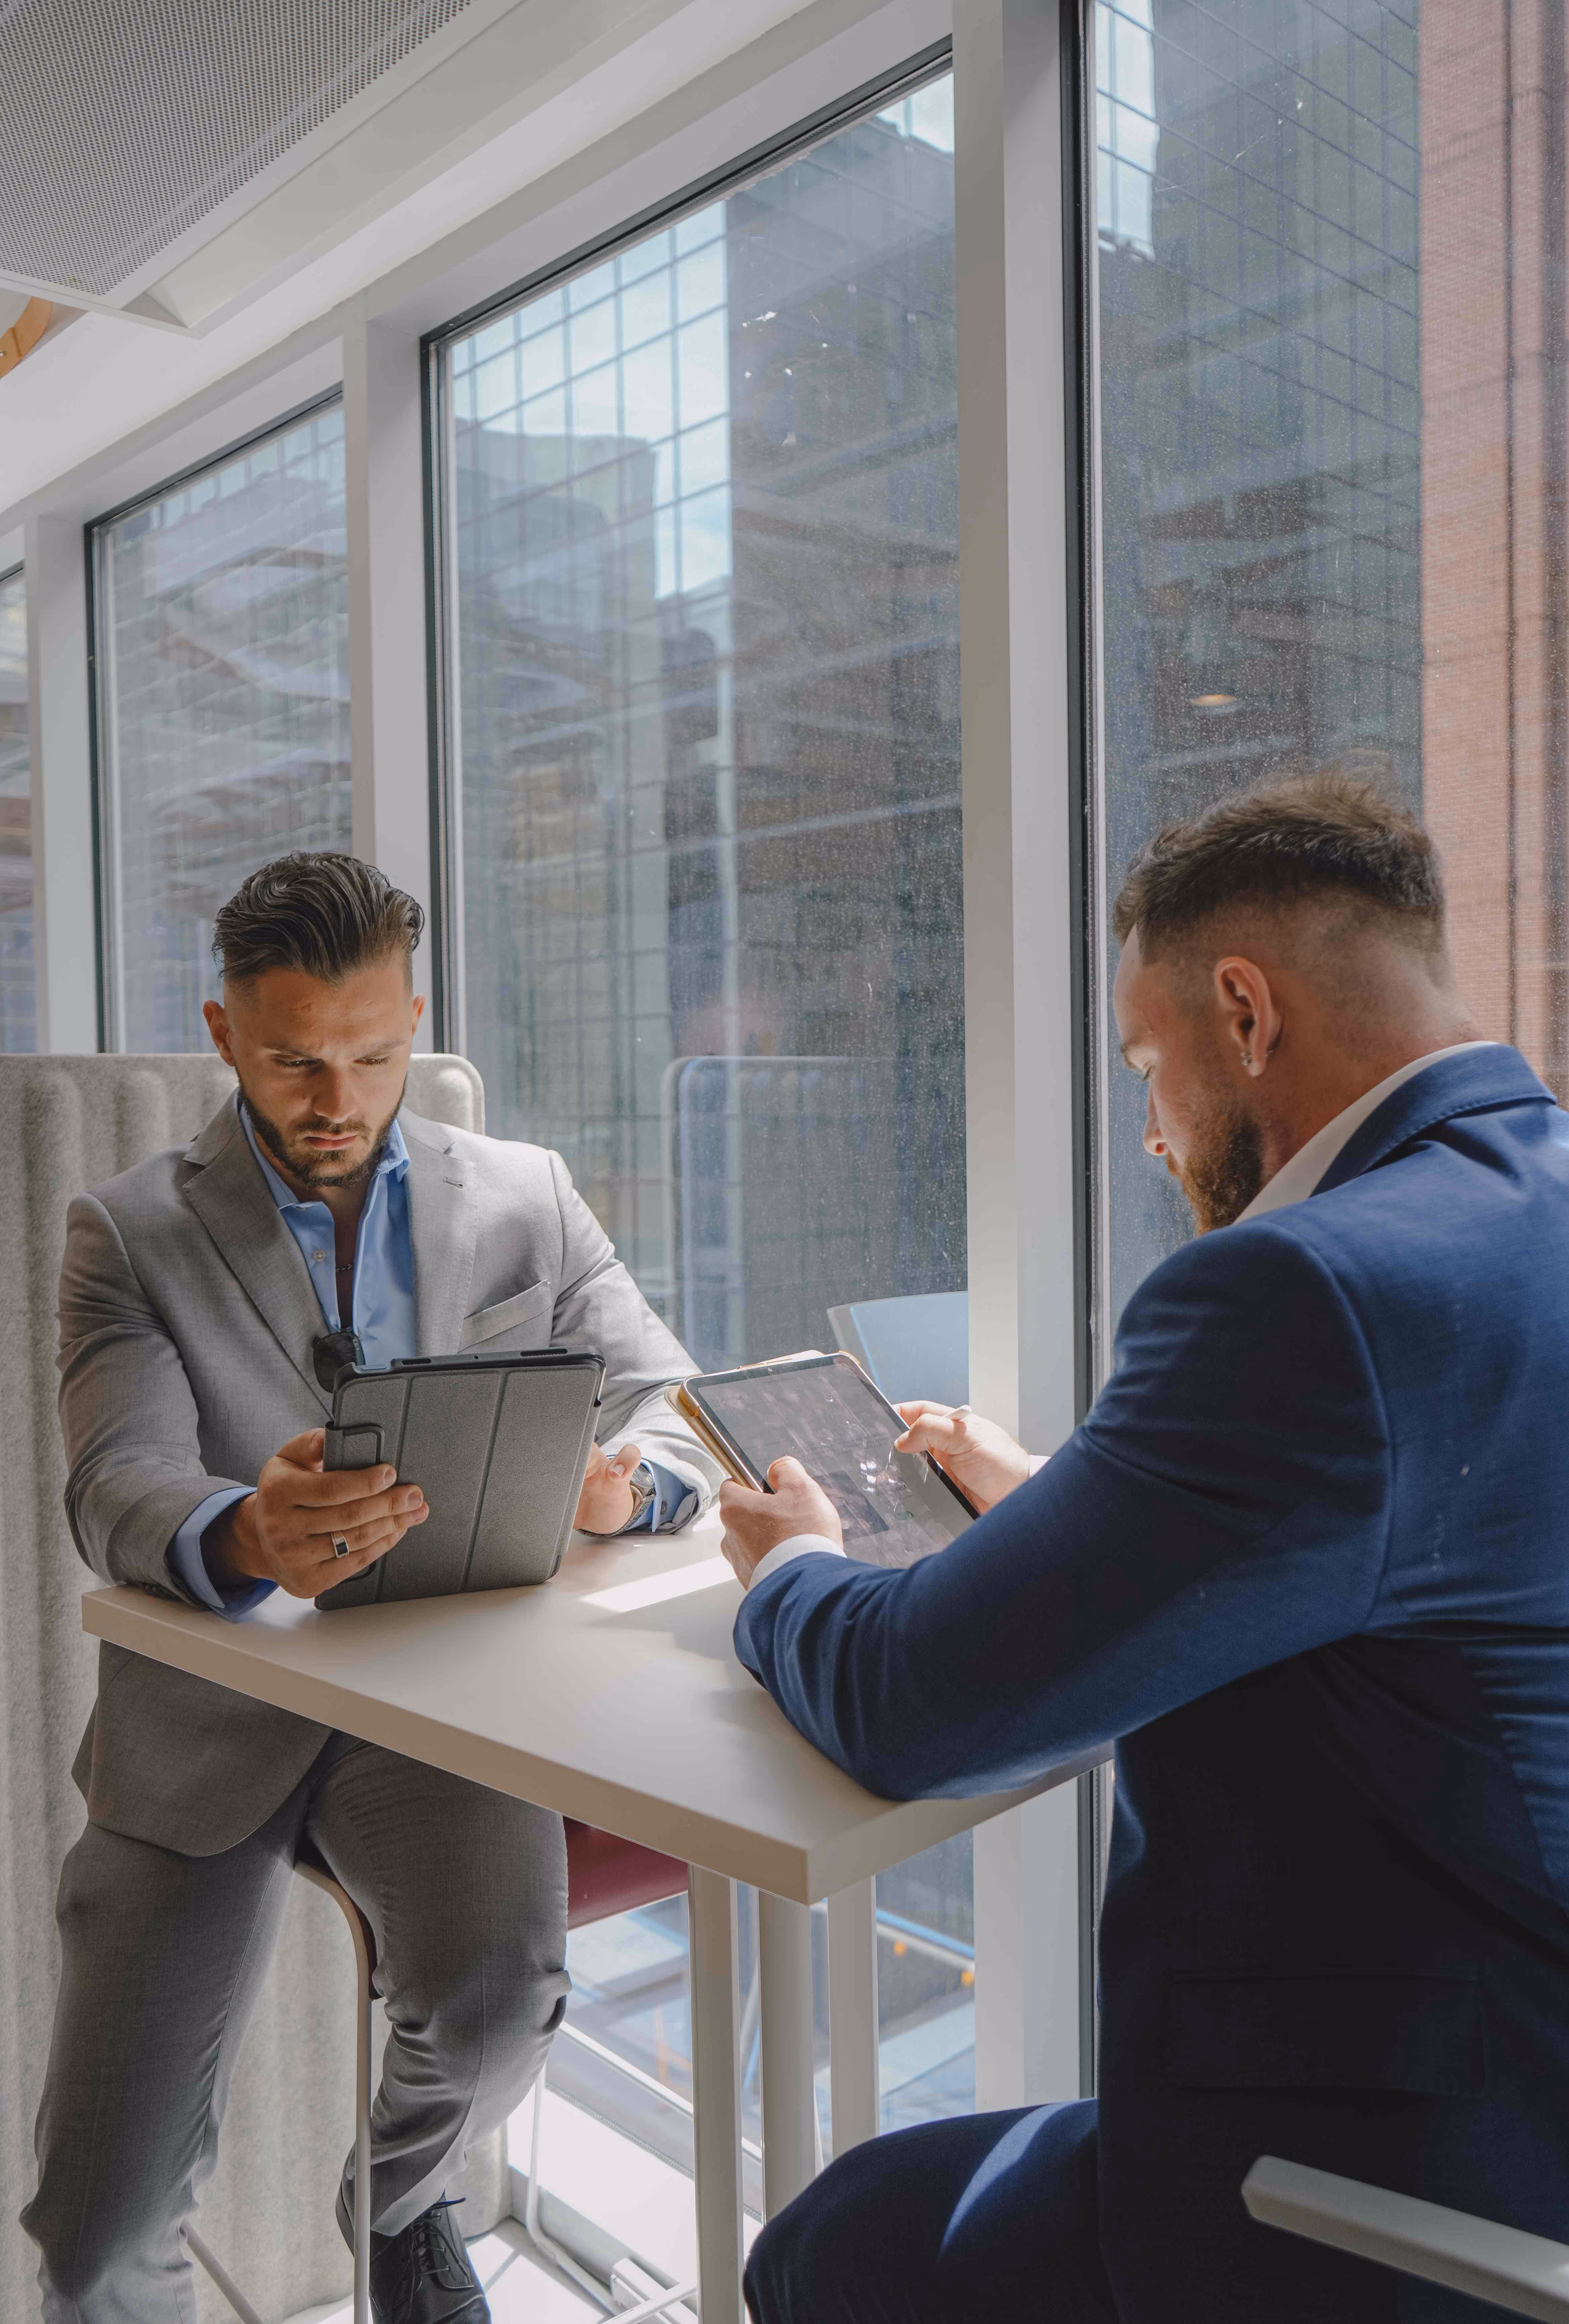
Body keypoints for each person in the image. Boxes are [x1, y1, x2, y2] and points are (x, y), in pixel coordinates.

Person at [719, 771, 1569, 2324]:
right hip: (1529, 2063)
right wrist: (1067, 1499)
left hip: (1388, 2177)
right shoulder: (1525, 1213)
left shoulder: (1301, 1291)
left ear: (1245, 1017)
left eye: (1146, 1069)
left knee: (829, 2247)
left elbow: (916, 1708)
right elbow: (1435, 1547)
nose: (1154, 1136)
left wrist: (791, 1563)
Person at [23, 852, 721, 2324]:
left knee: (497, 1997)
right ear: (224, 1037)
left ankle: (400, 2198)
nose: (335, 1098)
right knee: (98, 2223)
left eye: (372, 1054)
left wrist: (629, 1484)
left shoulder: (528, 1197)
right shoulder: (128, 1230)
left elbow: (676, 1409)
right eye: (290, 1061)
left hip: (442, 1716)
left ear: (414, 1017)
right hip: (211, 1715)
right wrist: (239, 1532)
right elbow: (115, 1487)